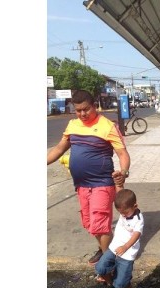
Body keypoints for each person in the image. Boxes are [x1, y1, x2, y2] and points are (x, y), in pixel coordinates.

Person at [47, 90, 130, 264]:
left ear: (94, 106)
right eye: (78, 110)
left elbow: (122, 153)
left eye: (86, 109)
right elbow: (59, 148)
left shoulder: (108, 126)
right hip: (81, 184)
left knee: (99, 223)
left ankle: (109, 262)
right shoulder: (72, 125)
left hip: (102, 183)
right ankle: (104, 250)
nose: (82, 114)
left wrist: (123, 172)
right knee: (90, 224)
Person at [95, 189, 144, 288]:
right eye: (120, 213)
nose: (122, 215)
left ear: (135, 206)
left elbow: (136, 235)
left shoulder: (138, 219)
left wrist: (125, 247)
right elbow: (121, 196)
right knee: (100, 267)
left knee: (122, 282)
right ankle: (110, 284)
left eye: (125, 213)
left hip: (127, 253)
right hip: (114, 247)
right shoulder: (124, 210)